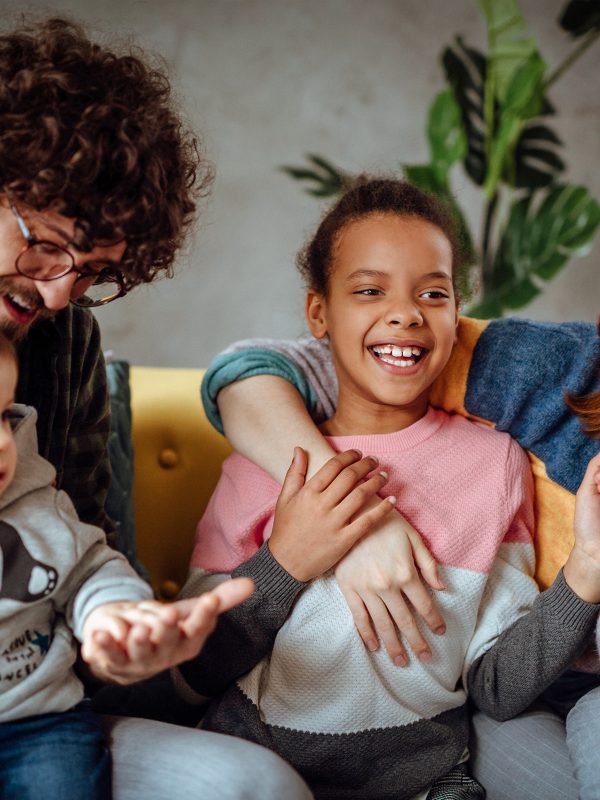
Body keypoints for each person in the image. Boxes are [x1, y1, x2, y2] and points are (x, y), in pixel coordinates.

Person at [175, 178, 600, 800]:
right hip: (264, 769)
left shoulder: (497, 465)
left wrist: (585, 574)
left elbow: (496, 687)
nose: (405, 313)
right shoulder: (266, 460)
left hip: (434, 782)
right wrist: (286, 565)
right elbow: (193, 672)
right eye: (370, 290)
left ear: (458, 317)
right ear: (318, 312)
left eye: (433, 293)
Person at [0, 15, 320, 800]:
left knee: (253, 787)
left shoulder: (63, 341)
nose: (56, 292)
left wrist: (111, 640)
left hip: (30, 715)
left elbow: (77, 550)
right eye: (45, 244)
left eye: (92, 273)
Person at [0, 331, 256, 798]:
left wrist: (111, 616)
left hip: (38, 723)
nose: (2, 441)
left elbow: (90, 570)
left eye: (4, 414)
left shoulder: (37, 501)